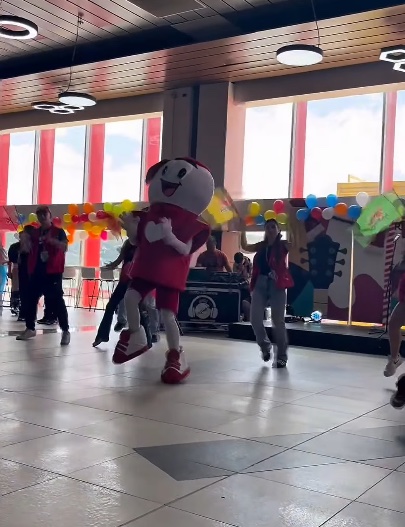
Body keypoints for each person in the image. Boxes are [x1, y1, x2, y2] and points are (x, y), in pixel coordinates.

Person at [112, 157, 214, 384]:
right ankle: (136, 333)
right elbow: (139, 241)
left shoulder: (191, 224)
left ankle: (176, 354)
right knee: (130, 297)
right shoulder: (149, 215)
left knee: (167, 314)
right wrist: (131, 230)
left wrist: (169, 236)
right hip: (148, 266)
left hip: (169, 272)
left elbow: (185, 250)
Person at [240, 219, 293, 367]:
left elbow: (296, 244)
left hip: (277, 284)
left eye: (273, 227)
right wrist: (242, 229)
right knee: (255, 319)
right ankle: (265, 346)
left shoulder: (283, 245)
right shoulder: (261, 245)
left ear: (278, 229)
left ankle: (282, 356)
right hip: (260, 283)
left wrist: (292, 225)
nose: (270, 229)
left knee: (278, 321)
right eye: (267, 227)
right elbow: (245, 246)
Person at [16, 206, 70, 345]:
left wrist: (51, 241)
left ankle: (65, 330)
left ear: (49, 215)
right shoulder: (35, 233)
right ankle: (30, 328)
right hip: (37, 271)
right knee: (30, 299)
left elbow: (64, 247)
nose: (41, 216)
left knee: (57, 301)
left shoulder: (58, 232)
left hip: (53, 272)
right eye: (39, 214)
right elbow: (27, 249)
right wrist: (24, 241)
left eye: (44, 214)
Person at [93, 239, 160, 346]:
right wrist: (111, 266)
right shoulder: (128, 243)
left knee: (139, 309)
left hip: (136, 281)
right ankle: (102, 335)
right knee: (111, 306)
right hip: (124, 280)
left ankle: (147, 340)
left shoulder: (145, 244)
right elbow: (119, 260)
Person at [17, 225, 34, 322]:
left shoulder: (33, 246)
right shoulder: (20, 247)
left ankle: (26, 313)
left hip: (29, 272)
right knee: (24, 292)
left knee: (27, 293)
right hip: (24, 272)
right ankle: (24, 312)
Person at [233, 251, 252, 321]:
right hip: (240, 286)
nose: (239, 264)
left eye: (240, 262)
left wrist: (244, 269)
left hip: (247, 286)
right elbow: (235, 275)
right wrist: (240, 270)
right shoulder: (236, 264)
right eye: (237, 263)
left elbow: (251, 276)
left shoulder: (249, 263)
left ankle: (247, 316)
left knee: (246, 300)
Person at [7, 237, 20, 315]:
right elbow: (10, 261)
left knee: (16, 287)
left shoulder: (13, 246)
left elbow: (9, 262)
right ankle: (15, 305)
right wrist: (9, 271)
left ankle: (15, 305)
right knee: (16, 287)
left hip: (18, 269)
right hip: (16, 268)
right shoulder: (14, 247)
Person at [0, 241, 7, 316]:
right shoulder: (2, 250)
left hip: (2, 269)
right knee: (0, 290)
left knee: (1, 290)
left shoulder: (2, 250)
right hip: (2, 269)